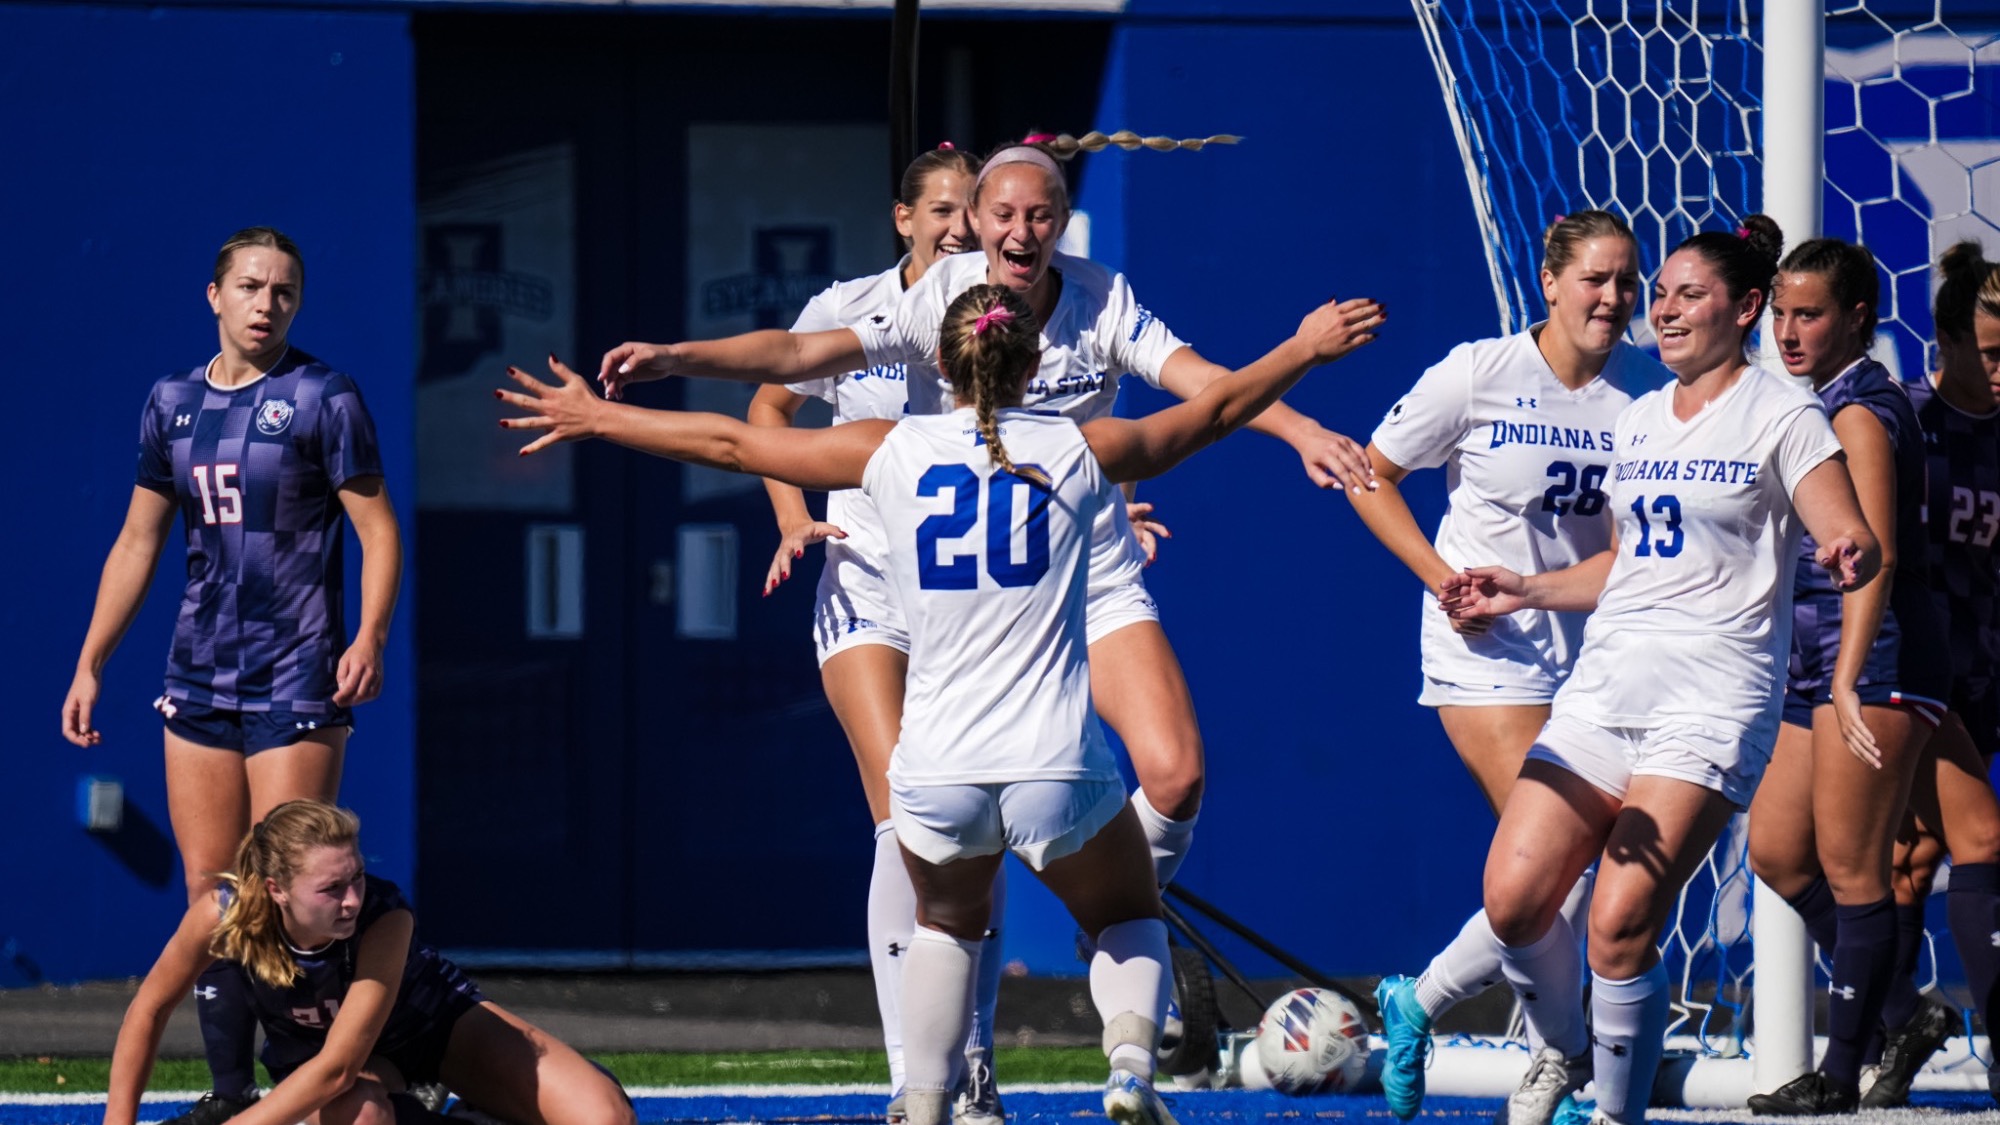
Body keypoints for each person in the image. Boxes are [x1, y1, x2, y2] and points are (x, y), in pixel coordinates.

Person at [500, 282, 1387, 1125]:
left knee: (947, 927)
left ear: (940, 362)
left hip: (936, 770)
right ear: (1035, 363)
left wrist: (597, 416)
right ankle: (1127, 1066)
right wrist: (1303, 348)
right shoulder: (1083, 448)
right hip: (1051, 760)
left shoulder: (888, 447)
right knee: (1124, 914)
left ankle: (922, 1103)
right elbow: (1218, 410)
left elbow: (732, 445)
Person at [599, 136, 1374, 939]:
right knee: (934, 825)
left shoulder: (1101, 299)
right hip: (977, 577)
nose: (1021, 232)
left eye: (1040, 216)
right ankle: (972, 1034)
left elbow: (1205, 388)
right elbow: (798, 355)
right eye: (1003, 213)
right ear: (975, 220)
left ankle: (1114, 914)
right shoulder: (944, 295)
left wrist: (1302, 430)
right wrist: (674, 355)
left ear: (1063, 224)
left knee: (1176, 777)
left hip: (1088, 567)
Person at [1435, 215, 1881, 1125]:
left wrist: (1847, 545)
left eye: (1689, 294)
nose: (1664, 310)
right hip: (1607, 686)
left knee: (1618, 920)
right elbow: (1629, 563)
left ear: (1746, 308)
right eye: (1661, 293)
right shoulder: (1638, 420)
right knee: (1514, 898)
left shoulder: (1782, 412)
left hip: (1712, 698)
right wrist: (1526, 585)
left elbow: (1849, 529)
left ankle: (1615, 1114)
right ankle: (1563, 1051)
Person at [62, 227, 404, 1125]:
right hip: (199, 677)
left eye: (284, 291)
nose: (266, 304)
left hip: (297, 679)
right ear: (213, 295)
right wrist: (91, 660)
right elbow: (138, 539)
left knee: (279, 891)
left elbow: (377, 529)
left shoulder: (325, 397)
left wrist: (368, 633)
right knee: (214, 895)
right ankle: (229, 1093)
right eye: (250, 287)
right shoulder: (171, 402)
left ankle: (314, 1081)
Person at [1359, 210, 1668, 1121]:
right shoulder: (1479, 372)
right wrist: (1444, 579)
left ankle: (1423, 1000)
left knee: (1574, 874)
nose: (1611, 299)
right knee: (1558, 870)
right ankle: (1562, 1062)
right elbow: (1372, 472)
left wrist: (1540, 589)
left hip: (1596, 657)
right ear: (1550, 282)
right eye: (1595, 279)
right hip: (1484, 653)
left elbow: (1631, 554)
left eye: (1625, 282)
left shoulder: (1646, 396)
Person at [747, 143, 1008, 1124]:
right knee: (905, 812)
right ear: (903, 219)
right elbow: (768, 405)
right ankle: (918, 1074)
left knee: (976, 818)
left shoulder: (997, 315)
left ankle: (972, 1053)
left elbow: (1074, 420)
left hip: (975, 596)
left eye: (967, 211)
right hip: (864, 584)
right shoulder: (845, 307)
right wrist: (789, 513)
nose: (954, 225)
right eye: (938, 208)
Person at [1738, 238, 1950, 1114]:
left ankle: (1838, 1076)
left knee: (1853, 865)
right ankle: (1904, 1013)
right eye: (1780, 314)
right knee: (1778, 853)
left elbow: (1877, 556)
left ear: (1858, 317)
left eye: (1809, 315)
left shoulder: (1860, 411)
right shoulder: (1812, 401)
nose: (1788, 332)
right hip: (1817, 659)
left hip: (1873, 657)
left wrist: (1848, 681)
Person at [104, 799, 634, 1125]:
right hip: (345, 1069)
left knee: (605, 1116)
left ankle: (473, 1102)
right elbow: (148, 1010)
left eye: (355, 875)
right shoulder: (223, 915)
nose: (353, 898)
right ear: (276, 890)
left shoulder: (385, 915)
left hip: (435, 1031)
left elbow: (337, 1066)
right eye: (332, 888)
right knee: (359, 1114)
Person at [1860, 242, 2000, 1108]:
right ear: (1943, 346)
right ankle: (1895, 1039)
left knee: (1916, 859)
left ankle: (1887, 1046)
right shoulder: (1901, 426)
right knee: (1944, 846)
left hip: (1987, 660)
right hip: (1918, 668)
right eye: (1989, 352)